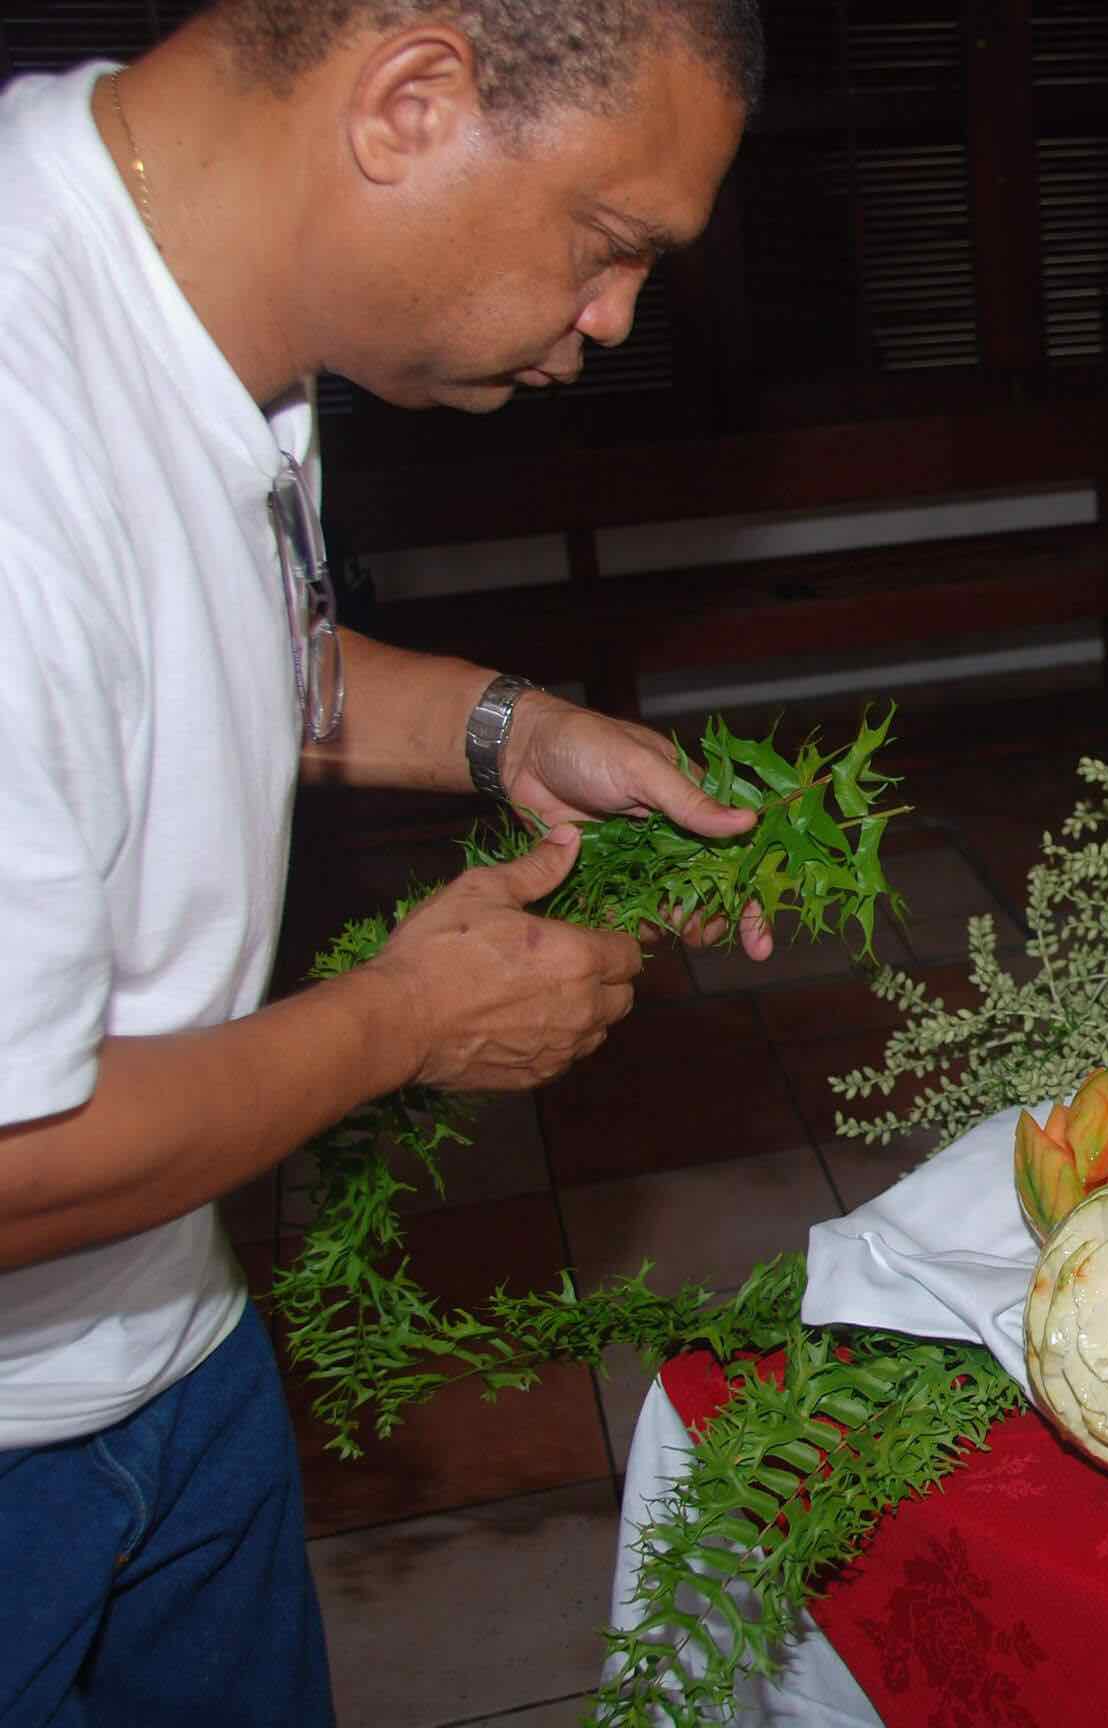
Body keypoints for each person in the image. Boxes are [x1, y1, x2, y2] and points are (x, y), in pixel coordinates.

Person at [0, 0, 765, 1719]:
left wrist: (516, 731)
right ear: (414, 101)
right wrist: (403, 1025)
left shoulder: (206, 319)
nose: (615, 318)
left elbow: (223, 664)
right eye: (609, 243)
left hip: (166, 1342)